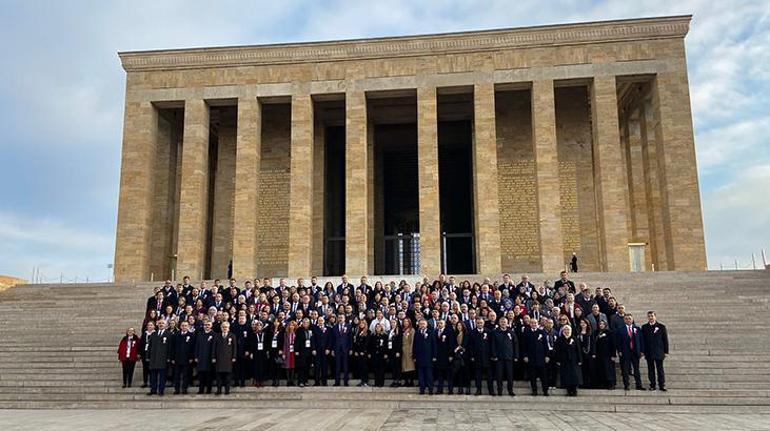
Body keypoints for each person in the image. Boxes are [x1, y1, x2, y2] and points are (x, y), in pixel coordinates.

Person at [616, 314, 645, 391]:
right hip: (625, 352)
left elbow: (641, 340)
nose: (628, 320)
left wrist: (642, 350)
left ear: (632, 319)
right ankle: (626, 385)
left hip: (635, 352)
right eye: (626, 319)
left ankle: (639, 385)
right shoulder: (620, 329)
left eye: (629, 319)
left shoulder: (637, 329)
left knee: (636, 369)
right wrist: (619, 350)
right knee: (625, 370)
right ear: (624, 320)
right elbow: (618, 342)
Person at [641, 310, 668, 391]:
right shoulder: (644, 327)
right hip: (649, 351)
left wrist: (666, 351)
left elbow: (665, 340)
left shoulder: (661, 327)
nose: (650, 318)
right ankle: (652, 385)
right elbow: (643, 340)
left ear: (655, 317)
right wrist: (643, 351)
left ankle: (662, 385)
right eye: (649, 316)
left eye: (652, 316)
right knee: (651, 369)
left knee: (660, 369)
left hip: (659, 351)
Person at [490, 317, 518, 397]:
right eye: (502, 322)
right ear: (499, 323)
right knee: (499, 376)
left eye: (505, 322)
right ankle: (500, 391)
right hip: (499, 358)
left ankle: (510, 390)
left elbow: (515, 344)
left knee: (510, 375)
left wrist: (516, 355)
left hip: (509, 357)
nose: (503, 323)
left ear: (507, 323)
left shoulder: (511, 332)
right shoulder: (495, 332)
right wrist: (494, 355)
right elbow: (493, 345)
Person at [522, 318, 550, 396]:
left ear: (537, 324)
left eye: (535, 323)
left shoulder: (541, 332)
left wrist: (547, 355)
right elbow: (523, 345)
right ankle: (534, 391)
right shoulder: (526, 332)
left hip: (541, 357)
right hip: (531, 358)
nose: (534, 324)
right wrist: (525, 356)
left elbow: (545, 345)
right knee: (532, 376)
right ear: (530, 324)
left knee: (543, 376)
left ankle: (545, 391)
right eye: (532, 323)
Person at [468, 317, 494, 396]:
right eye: (478, 323)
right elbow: (470, 345)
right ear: (476, 323)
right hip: (477, 357)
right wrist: (472, 355)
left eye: (481, 323)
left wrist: (492, 355)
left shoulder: (488, 332)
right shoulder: (472, 332)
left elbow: (491, 344)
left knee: (489, 375)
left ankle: (491, 390)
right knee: (478, 375)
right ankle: (478, 390)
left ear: (483, 323)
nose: (479, 324)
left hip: (487, 357)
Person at [555, 325, 582, 396]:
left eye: (568, 329)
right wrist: (558, 360)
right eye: (565, 330)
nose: (566, 331)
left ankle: (574, 390)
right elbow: (558, 350)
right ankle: (569, 390)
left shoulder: (574, 338)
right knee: (566, 375)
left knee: (574, 375)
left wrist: (580, 360)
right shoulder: (560, 339)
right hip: (564, 360)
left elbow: (578, 349)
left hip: (574, 360)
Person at [147, 319, 171, 396]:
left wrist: (169, 357)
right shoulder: (153, 334)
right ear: (157, 324)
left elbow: (170, 347)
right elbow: (149, 346)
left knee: (162, 376)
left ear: (166, 325)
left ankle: (161, 391)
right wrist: (148, 356)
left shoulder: (169, 334)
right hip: (153, 359)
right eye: (160, 323)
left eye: (163, 323)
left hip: (163, 359)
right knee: (153, 376)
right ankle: (153, 390)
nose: (161, 324)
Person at [413, 319, 436, 395]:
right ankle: (422, 389)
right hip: (419, 357)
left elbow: (434, 345)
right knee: (421, 375)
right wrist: (414, 356)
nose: (422, 325)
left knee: (429, 375)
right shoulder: (417, 333)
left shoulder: (431, 332)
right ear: (419, 325)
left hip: (429, 357)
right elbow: (414, 345)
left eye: (423, 324)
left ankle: (430, 389)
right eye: (421, 324)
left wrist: (434, 355)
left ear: (426, 324)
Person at [213, 321, 237, 395]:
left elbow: (234, 347)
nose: (224, 328)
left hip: (228, 359)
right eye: (223, 327)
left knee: (228, 376)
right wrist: (213, 357)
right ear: (221, 328)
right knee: (219, 376)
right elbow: (214, 347)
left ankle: (227, 390)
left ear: (228, 328)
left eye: (226, 327)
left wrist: (234, 357)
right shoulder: (217, 336)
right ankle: (219, 390)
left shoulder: (232, 336)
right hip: (219, 359)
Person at [171, 321, 194, 394]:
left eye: (186, 325)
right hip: (177, 358)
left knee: (185, 375)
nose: (184, 327)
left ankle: (184, 389)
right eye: (183, 325)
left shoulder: (191, 335)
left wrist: (191, 357)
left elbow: (193, 347)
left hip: (187, 359)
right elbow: (173, 347)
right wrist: (173, 358)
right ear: (180, 326)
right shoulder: (176, 335)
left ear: (188, 327)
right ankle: (177, 389)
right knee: (176, 375)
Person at [434, 319, 456, 394]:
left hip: (447, 356)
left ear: (444, 324)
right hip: (439, 357)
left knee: (449, 374)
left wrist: (451, 355)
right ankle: (439, 389)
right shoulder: (435, 332)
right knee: (440, 374)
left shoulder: (449, 331)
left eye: (441, 323)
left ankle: (450, 390)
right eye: (438, 323)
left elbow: (451, 344)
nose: (439, 324)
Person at [593, 319, 616, 389]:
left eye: (603, 324)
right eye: (600, 324)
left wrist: (613, 354)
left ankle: (611, 384)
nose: (601, 325)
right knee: (601, 369)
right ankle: (602, 383)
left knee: (608, 369)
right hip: (599, 354)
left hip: (608, 354)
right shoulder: (596, 332)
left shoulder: (609, 332)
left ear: (605, 325)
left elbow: (613, 344)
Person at [194, 320, 215, 394]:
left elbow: (214, 347)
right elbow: (197, 345)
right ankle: (201, 389)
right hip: (201, 357)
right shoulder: (200, 334)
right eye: (205, 325)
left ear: (211, 326)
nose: (207, 326)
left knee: (209, 375)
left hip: (209, 358)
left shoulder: (214, 334)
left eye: (208, 325)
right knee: (201, 374)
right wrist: (196, 356)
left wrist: (213, 357)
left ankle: (209, 390)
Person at [331, 314, 352, 386]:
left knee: (346, 366)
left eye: (341, 318)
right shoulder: (334, 327)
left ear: (344, 318)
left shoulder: (348, 326)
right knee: (337, 366)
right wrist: (332, 349)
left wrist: (351, 348)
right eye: (339, 318)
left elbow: (350, 338)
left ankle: (346, 381)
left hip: (345, 349)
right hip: (337, 349)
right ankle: (337, 382)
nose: (340, 319)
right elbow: (332, 339)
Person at [312, 316, 331, 386]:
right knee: (317, 367)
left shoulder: (328, 329)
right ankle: (316, 382)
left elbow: (330, 339)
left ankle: (324, 382)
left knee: (324, 367)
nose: (320, 322)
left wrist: (328, 348)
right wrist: (313, 349)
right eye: (319, 320)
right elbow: (312, 339)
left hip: (325, 351)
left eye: (321, 320)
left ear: (324, 321)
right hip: (317, 351)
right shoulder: (314, 328)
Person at [452, 321, 470, 395]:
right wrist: (456, 349)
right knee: (459, 372)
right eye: (458, 325)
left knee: (466, 372)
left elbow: (466, 343)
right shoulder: (454, 334)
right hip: (457, 356)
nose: (459, 327)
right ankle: (460, 387)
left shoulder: (466, 334)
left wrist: (459, 348)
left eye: (460, 325)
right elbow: (453, 343)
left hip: (465, 355)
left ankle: (467, 387)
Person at [295, 318, 314, 387]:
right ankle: (301, 381)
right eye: (304, 322)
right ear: (302, 323)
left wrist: (313, 349)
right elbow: (297, 340)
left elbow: (313, 340)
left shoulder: (311, 329)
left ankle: (306, 381)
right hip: (301, 351)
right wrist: (296, 350)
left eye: (307, 322)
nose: (306, 324)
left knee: (307, 367)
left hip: (309, 351)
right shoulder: (299, 330)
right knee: (301, 366)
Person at [249, 320, 268, 387]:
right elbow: (250, 344)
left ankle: (262, 381)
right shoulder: (253, 334)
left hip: (263, 352)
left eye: (260, 325)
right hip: (256, 352)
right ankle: (257, 381)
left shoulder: (265, 334)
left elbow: (267, 344)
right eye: (257, 325)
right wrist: (251, 352)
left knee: (262, 366)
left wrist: (267, 351)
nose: (259, 326)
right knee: (256, 367)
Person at [369, 323, 388, 387]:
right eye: (376, 327)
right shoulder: (373, 335)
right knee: (376, 369)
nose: (378, 328)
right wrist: (370, 353)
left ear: (381, 328)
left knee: (381, 369)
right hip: (375, 354)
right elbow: (370, 345)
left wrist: (386, 353)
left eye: (379, 327)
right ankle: (376, 382)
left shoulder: (384, 335)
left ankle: (381, 383)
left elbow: (386, 345)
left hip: (382, 355)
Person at [353, 320, 370, 387]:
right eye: (360, 323)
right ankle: (362, 381)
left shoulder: (368, 332)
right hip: (359, 352)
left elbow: (367, 343)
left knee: (364, 367)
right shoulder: (358, 332)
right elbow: (356, 342)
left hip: (364, 353)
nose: (361, 324)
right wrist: (356, 351)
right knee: (360, 367)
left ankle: (365, 381)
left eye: (363, 323)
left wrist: (364, 351)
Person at [138, 321, 155, 388]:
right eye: (149, 325)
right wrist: (139, 353)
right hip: (144, 353)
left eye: (151, 325)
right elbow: (140, 344)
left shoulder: (155, 334)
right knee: (145, 368)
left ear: (154, 326)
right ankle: (145, 382)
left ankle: (152, 382)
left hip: (152, 354)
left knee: (151, 369)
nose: (150, 326)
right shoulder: (144, 334)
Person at [281, 320, 298, 386]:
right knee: (287, 366)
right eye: (290, 325)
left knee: (293, 367)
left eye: (293, 325)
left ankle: (292, 381)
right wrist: (284, 353)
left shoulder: (296, 334)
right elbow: (284, 344)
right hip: (287, 352)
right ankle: (288, 381)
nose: (291, 326)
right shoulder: (286, 334)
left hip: (293, 352)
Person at [387, 319, 403, 387]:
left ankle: (398, 380)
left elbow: (399, 342)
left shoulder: (398, 331)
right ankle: (394, 380)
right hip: (391, 351)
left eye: (394, 322)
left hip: (396, 351)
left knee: (397, 366)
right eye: (391, 323)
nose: (392, 324)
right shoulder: (389, 331)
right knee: (393, 366)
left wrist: (398, 351)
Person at [401, 318, 416, 387]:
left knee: (410, 366)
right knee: (404, 366)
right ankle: (406, 381)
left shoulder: (412, 330)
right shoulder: (402, 330)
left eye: (407, 322)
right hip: (403, 350)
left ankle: (411, 381)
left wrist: (411, 350)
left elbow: (412, 341)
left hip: (409, 349)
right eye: (404, 322)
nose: (405, 323)